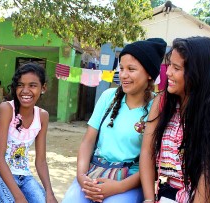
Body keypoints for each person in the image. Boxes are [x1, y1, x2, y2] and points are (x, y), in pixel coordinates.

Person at [140, 37, 210, 203]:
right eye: (169, 66)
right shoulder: (162, 103)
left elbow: (208, 180)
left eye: (176, 68)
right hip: (174, 193)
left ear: (197, 73)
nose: (167, 73)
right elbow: (147, 152)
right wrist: (148, 199)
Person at [62, 38, 167, 203]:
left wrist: (119, 187)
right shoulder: (108, 97)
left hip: (129, 180)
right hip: (94, 172)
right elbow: (87, 142)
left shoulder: (157, 107)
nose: (123, 75)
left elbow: (152, 161)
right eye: (121, 68)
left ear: (149, 74)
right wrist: (82, 178)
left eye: (131, 69)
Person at [0, 63, 58, 203]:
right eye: (20, 85)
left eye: (32, 85)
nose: (25, 90)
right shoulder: (6, 109)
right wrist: (19, 197)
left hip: (24, 176)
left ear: (43, 88)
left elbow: (41, 161)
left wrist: (50, 192)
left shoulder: (42, 116)